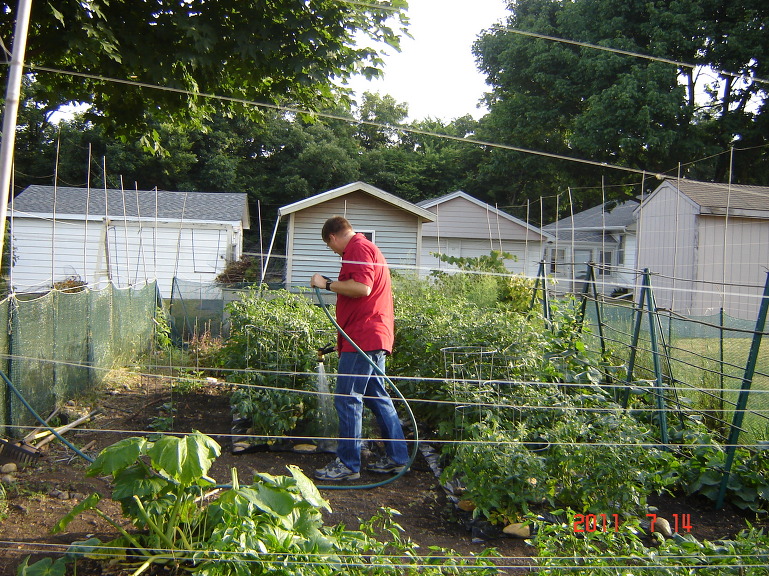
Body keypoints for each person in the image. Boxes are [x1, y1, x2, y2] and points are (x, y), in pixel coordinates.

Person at [310, 216, 409, 481]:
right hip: (371, 336)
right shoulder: (364, 248)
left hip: (363, 338)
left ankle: (348, 463)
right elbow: (358, 287)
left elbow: (362, 287)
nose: (334, 251)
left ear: (332, 237)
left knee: (347, 398)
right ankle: (397, 458)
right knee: (377, 396)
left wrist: (327, 284)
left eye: (330, 246)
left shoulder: (357, 248)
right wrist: (333, 283)